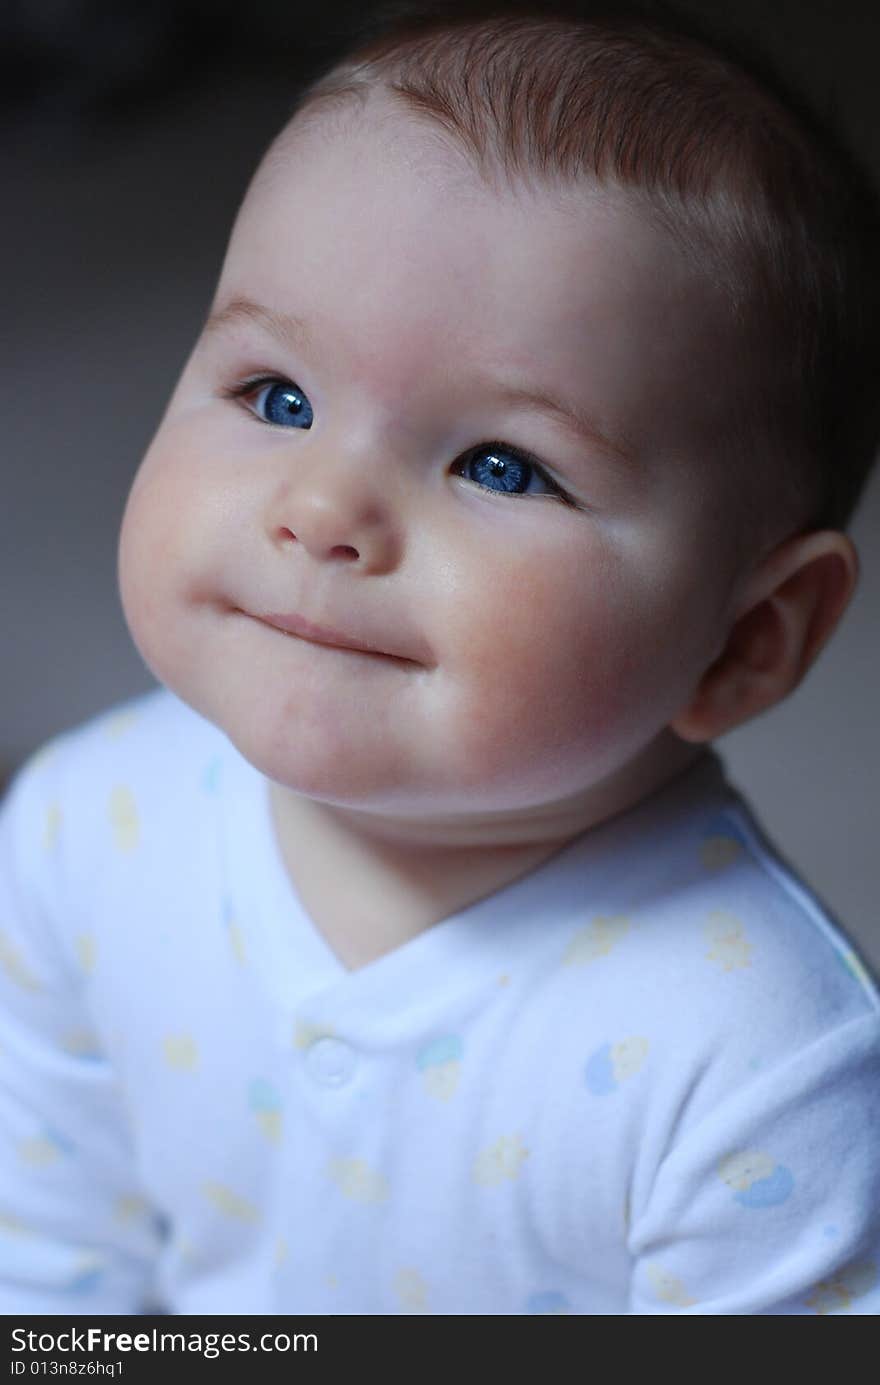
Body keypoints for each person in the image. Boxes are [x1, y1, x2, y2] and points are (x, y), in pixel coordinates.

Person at [1, 0, 878, 1315]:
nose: (323, 508)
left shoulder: (762, 1065)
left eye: (500, 465)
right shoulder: (83, 825)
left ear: (747, 639)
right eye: (276, 397)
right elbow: (50, 1248)